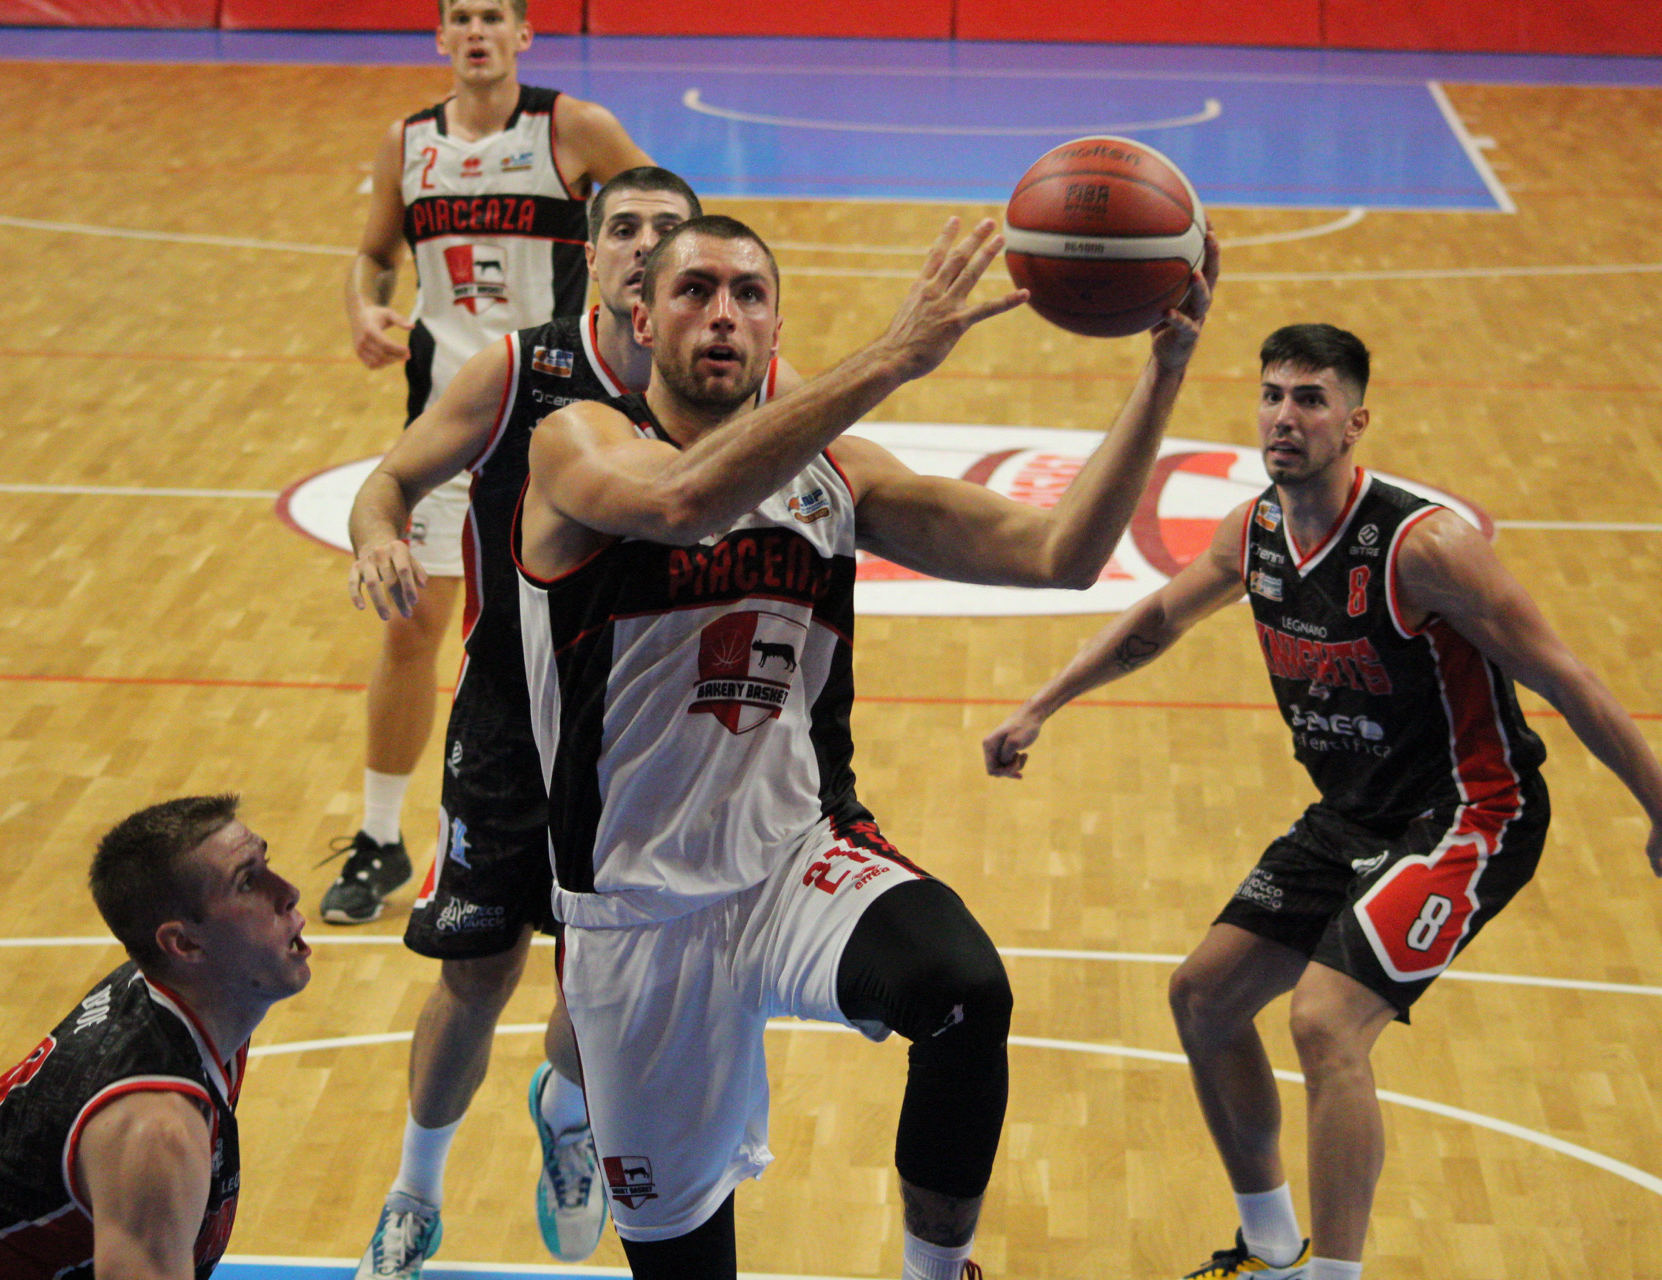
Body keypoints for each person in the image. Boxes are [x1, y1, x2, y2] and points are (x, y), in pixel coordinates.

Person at [514, 214, 1216, 1279]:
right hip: (637, 904)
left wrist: (1165, 373)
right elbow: (681, 501)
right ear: (640, 315)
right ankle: (571, 1095)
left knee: (965, 990)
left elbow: (1061, 553)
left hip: (798, 856)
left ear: (777, 323)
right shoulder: (578, 445)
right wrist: (895, 353)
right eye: (696, 289)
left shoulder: (839, 476)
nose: (723, 313)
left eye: (749, 294)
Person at [982, 323, 1662, 1280]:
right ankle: (1268, 1251)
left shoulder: (1426, 550)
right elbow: (1153, 623)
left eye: (1309, 398)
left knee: (1324, 1021)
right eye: (1271, 395)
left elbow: (1571, 678)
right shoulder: (1255, 532)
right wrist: (1043, 704)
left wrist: (1660, 805)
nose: (1284, 416)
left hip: (1472, 812)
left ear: (1355, 423)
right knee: (1203, 1000)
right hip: (1353, 815)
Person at [343, 166, 799, 1280]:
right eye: (625, 228)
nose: (647, 244)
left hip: (655, 731)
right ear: (593, 257)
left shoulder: (756, 380)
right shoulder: (520, 369)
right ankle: (415, 1191)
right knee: (476, 970)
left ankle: (569, 1108)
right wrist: (377, 536)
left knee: (602, 985)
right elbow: (387, 480)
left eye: (669, 231)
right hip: (514, 715)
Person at [326, 0, 652, 926]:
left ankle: (588, 830)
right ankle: (382, 837)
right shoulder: (408, 143)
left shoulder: (574, 127)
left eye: (493, 16)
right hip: (454, 417)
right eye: (460, 16)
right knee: (410, 629)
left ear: (522, 35)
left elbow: (669, 221)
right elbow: (372, 255)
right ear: (441, 37)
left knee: (582, 636)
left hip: (565, 422)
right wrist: (361, 306)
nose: (476, 31)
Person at [0, 795, 312, 1280]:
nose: (288, 892)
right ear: (184, 944)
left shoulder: (205, 996)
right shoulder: (154, 1126)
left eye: (266, 864)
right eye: (247, 882)